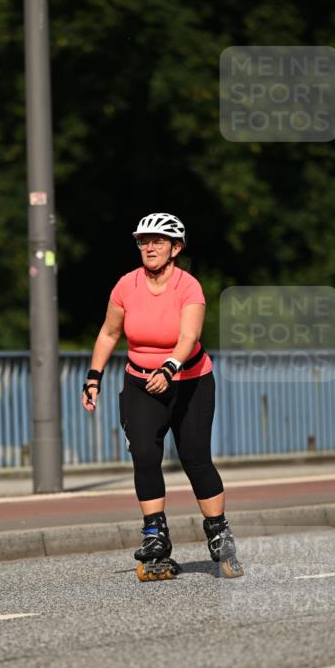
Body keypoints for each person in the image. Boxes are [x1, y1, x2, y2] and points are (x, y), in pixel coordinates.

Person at [82, 212, 243, 580]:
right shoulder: (126, 286)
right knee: (144, 454)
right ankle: (155, 535)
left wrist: (169, 368)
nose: (149, 246)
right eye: (143, 240)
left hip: (189, 381)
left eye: (158, 240)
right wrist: (93, 378)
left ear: (176, 248)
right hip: (140, 382)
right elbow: (109, 334)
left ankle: (218, 532)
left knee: (195, 457)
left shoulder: (188, 287)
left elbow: (188, 337)